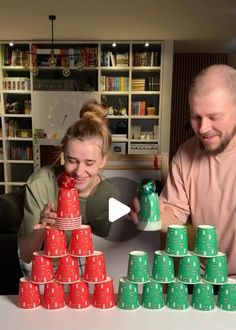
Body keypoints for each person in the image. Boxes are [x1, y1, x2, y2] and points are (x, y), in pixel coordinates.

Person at [131, 64, 236, 276]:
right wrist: (152, 214)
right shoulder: (185, 152)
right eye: (195, 117)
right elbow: (175, 214)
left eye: (214, 117)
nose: (203, 128)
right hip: (204, 280)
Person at [18, 100, 118, 266]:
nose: (79, 171)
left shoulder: (111, 195)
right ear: (63, 154)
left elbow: (111, 258)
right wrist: (42, 227)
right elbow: (26, 256)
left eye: (89, 162)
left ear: (103, 160)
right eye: (72, 160)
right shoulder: (41, 184)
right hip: (46, 271)